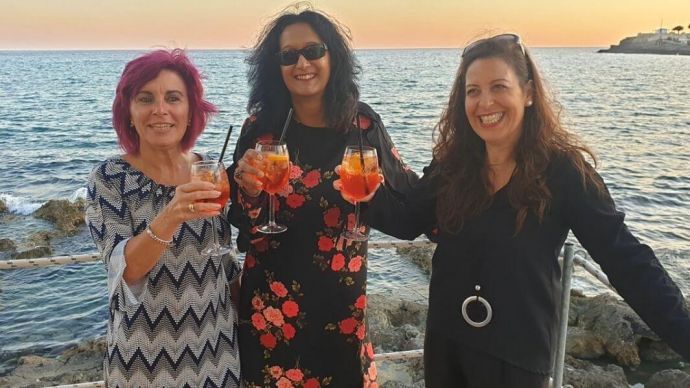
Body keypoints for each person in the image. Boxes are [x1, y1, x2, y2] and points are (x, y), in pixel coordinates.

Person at [338, 33, 690, 387]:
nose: (484, 102)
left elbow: (626, 259)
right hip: (447, 344)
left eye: (498, 87)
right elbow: (408, 220)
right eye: (472, 91)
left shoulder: (564, 171)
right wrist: (368, 196)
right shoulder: (454, 164)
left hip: (517, 357)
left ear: (529, 93)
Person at [228, 7, 417, 387]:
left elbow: (407, 206)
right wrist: (246, 190)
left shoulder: (362, 125)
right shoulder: (260, 129)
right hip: (271, 311)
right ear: (275, 67)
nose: (302, 63)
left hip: (342, 309)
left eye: (313, 51)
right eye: (288, 56)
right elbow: (244, 226)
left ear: (333, 56)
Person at [85, 49, 241, 387]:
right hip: (145, 361)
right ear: (128, 112)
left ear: (190, 112)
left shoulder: (210, 169)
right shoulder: (109, 178)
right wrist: (171, 214)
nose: (160, 110)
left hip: (219, 352)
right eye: (145, 98)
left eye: (173, 98)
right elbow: (126, 271)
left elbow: (224, 260)